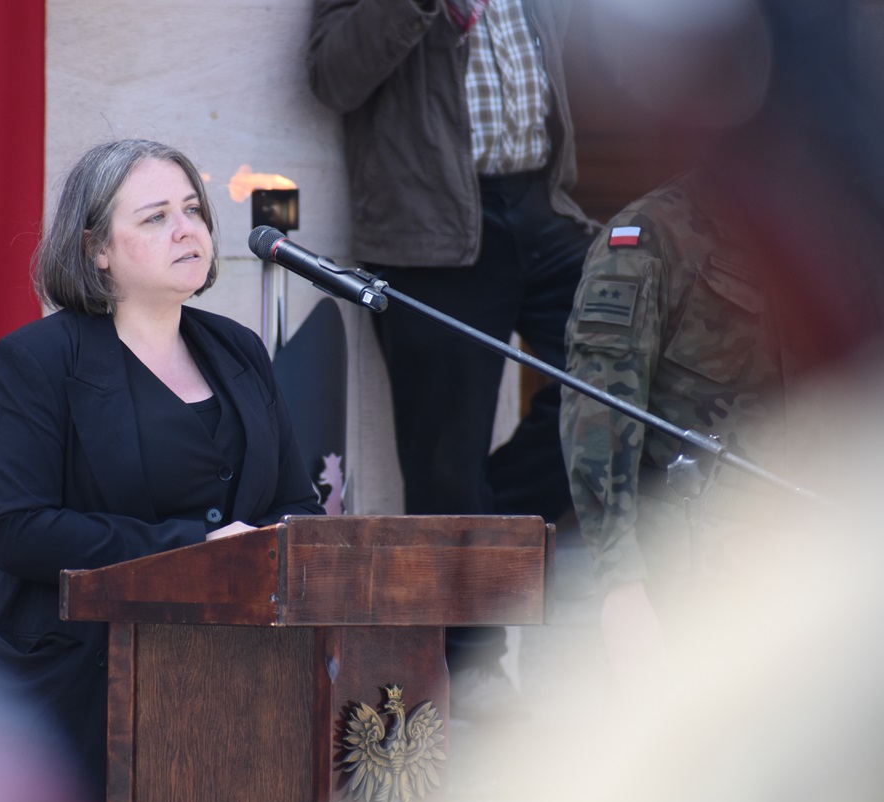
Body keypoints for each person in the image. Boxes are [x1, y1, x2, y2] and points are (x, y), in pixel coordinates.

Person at [0, 138, 323, 802]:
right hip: (86, 713)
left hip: (235, 705)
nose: (187, 230)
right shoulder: (35, 361)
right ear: (97, 249)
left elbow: (294, 504)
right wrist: (192, 553)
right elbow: (20, 528)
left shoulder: (240, 351)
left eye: (193, 211)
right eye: (155, 217)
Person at [307, 0, 595, 720]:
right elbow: (332, 77)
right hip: (429, 226)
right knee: (445, 459)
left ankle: (471, 528)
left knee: (622, 388)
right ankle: (468, 663)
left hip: (542, 203)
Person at [560, 167, 789, 701]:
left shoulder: (826, 235)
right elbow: (600, 415)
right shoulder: (647, 239)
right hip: (695, 570)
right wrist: (622, 584)